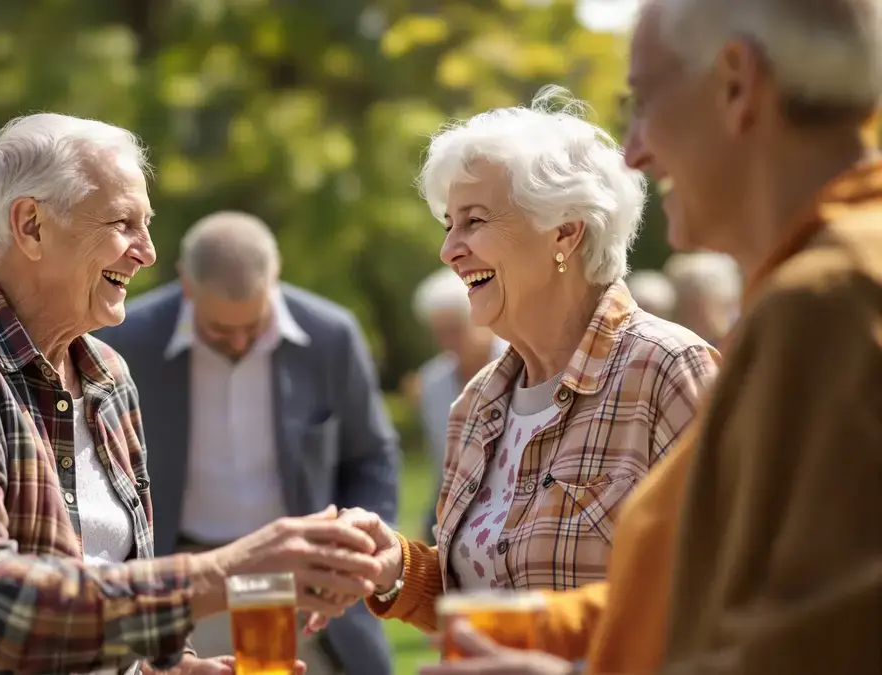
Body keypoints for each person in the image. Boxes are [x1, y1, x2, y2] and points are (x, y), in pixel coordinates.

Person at [0, 115, 378, 675]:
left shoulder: (107, 374)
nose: (148, 252)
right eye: (123, 223)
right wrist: (224, 572)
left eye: (147, 224)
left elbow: (98, 588)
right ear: (32, 226)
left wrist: (169, 669)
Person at [417, 1, 882, 673]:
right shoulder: (815, 289)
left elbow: (818, 649)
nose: (633, 151)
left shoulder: (828, 300)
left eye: (643, 101)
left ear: (736, 83)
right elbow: (692, 600)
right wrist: (486, 610)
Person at [309, 86, 720, 645]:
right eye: (448, 224)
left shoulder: (668, 370)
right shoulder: (476, 404)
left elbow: (726, 593)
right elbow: (479, 602)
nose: (449, 249)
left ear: (565, 233)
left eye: (474, 221)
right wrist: (398, 569)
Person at [95, 211, 399, 675]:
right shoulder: (124, 340)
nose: (238, 342)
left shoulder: (332, 335)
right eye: (220, 329)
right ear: (187, 285)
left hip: (303, 579)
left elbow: (371, 456)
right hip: (184, 578)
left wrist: (354, 550)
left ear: (274, 280)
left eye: (252, 327)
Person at [410, 267, 509, 541]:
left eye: (455, 330)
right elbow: (440, 460)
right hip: (452, 504)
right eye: (440, 333)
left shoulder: (521, 364)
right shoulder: (433, 381)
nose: (448, 342)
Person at [663, 251, 741, 344]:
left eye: (694, 304)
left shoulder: (740, 338)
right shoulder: (670, 342)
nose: (687, 315)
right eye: (683, 304)